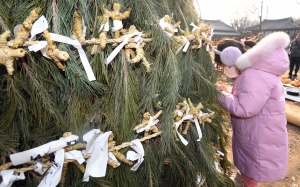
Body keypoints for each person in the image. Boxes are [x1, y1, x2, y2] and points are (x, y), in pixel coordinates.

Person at [214, 32, 289, 187]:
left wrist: (220, 95)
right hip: (256, 132)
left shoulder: (253, 75)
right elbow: (249, 98)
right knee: (247, 173)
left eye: (224, 66)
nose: (225, 70)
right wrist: (228, 93)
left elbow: (245, 108)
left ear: (231, 58)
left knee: (250, 176)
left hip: (257, 137)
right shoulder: (254, 71)